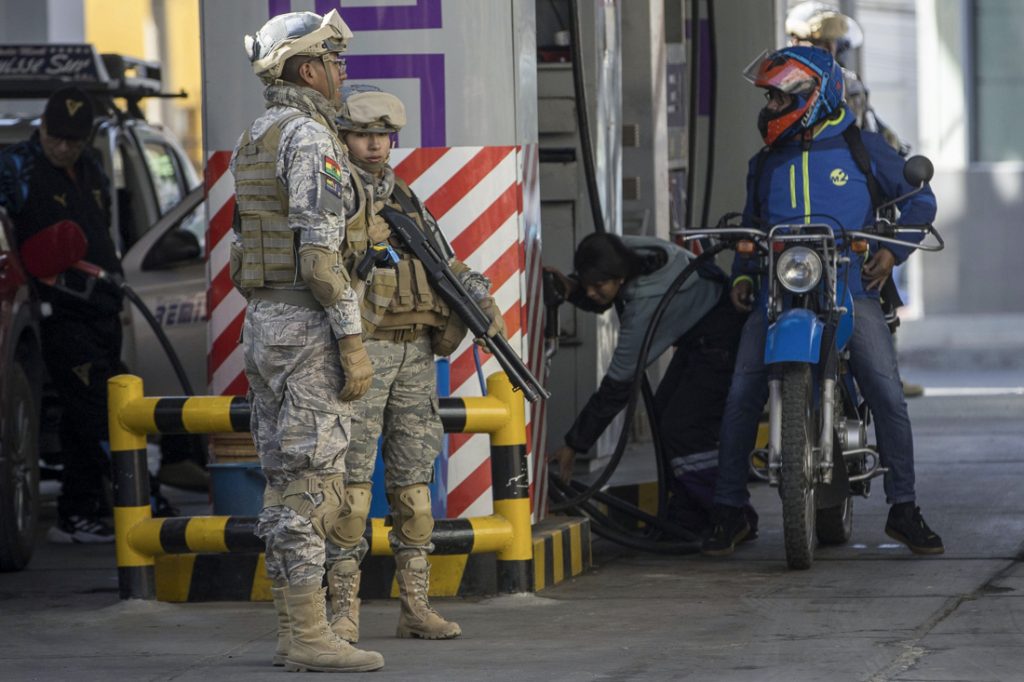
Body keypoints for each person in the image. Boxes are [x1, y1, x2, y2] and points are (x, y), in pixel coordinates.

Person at [702, 45, 942, 557]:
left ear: (813, 96)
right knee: (741, 392)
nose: (770, 107)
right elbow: (752, 227)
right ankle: (729, 509)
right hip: (777, 295)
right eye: (768, 99)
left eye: (777, 98)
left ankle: (904, 507)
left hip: (852, 289)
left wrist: (891, 252)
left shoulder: (863, 148)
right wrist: (743, 275)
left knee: (886, 391)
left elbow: (920, 201)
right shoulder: (766, 161)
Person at [323, 88, 505, 642]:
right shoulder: (335, 194)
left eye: (383, 135)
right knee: (352, 494)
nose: (375, 144)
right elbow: (320, 270)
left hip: (415, 354)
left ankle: (416, 608)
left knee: (414, 493)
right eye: (363, 134)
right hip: (364, 351)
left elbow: (444, 261)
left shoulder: (403, 195)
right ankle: (342, 612)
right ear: (343, 138)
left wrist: (482, 298)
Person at [231, 9, 382, 673]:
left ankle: (294, 632)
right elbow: (321, 261)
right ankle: (314, 638)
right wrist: (352, 342)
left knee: (281, 482)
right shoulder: (311, 136)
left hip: (264, 323)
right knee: (315, 482)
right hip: (308, 327)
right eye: (334, 61)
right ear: (308, 70)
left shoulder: (255, 134)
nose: (342, 73)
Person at [546, 232, 755, 538]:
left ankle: (730, 512)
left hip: (722, 341)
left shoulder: (645, 306)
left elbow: (617, 387)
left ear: (619, 278)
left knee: (682, 429)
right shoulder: (631, 250)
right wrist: (572, 287)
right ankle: (689, 517)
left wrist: (575, 443)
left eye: (598, 285)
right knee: (662, 417)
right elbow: (603, 291)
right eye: (587, 284)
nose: (591, 292)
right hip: (700, 337)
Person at [0, 87, 125, 543]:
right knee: (90, 410)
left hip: (102, 308)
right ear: (43, 128)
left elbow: (102, 229)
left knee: (106, 406)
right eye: (56, 136)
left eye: (73, 139)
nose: (63, 147)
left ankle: (97, 505)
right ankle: (84, 511)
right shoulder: (16, 168)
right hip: (58, 314)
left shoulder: (91, 167)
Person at [785, 0, 922, 397]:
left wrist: (888, 148)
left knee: (876, 287)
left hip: (849, 197)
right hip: (811, 199)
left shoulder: (842, 83)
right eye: (817, 44)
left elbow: (864, 130)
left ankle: (883, 375)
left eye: (829, 46)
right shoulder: (792, 80)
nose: (826, 51)